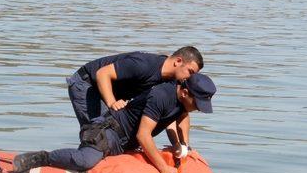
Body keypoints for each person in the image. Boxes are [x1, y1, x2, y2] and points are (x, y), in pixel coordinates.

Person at [12, 73, 216, 173]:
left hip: (127, 142)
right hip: (109, 131)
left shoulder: (182, 102)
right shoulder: (162, 96)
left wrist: (183, 145)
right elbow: (144, 136)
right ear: (184, 92)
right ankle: (41, 157)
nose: (197, 109)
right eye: (197, 103)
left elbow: (181, 118)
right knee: (85, 161)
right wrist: (163, 168)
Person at [67, 46, 204, 127]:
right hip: (87, 84)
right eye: (190, 72)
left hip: (111, 92)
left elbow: (173, 115)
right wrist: (112, 103)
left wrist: (181, 145)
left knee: (117, 130)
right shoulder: (144, 65)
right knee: (99, 132)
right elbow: (102, 73)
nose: (190, 78)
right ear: (178, 61)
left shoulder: (172, 82)